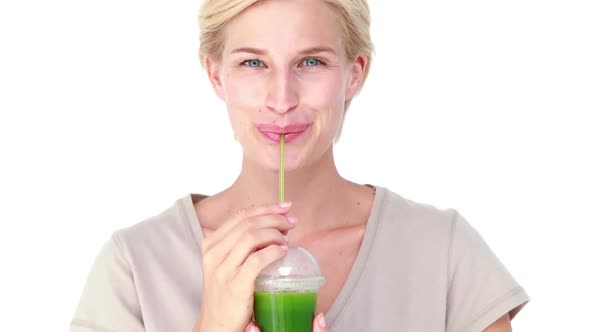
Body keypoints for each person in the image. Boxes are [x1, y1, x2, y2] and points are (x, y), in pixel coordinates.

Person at [70, 0, 530, 331]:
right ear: (216, 75)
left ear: (355, 73)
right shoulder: (134, 268)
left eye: (311, 61)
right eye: (253, 63)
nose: (282, 99)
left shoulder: (444, 254)